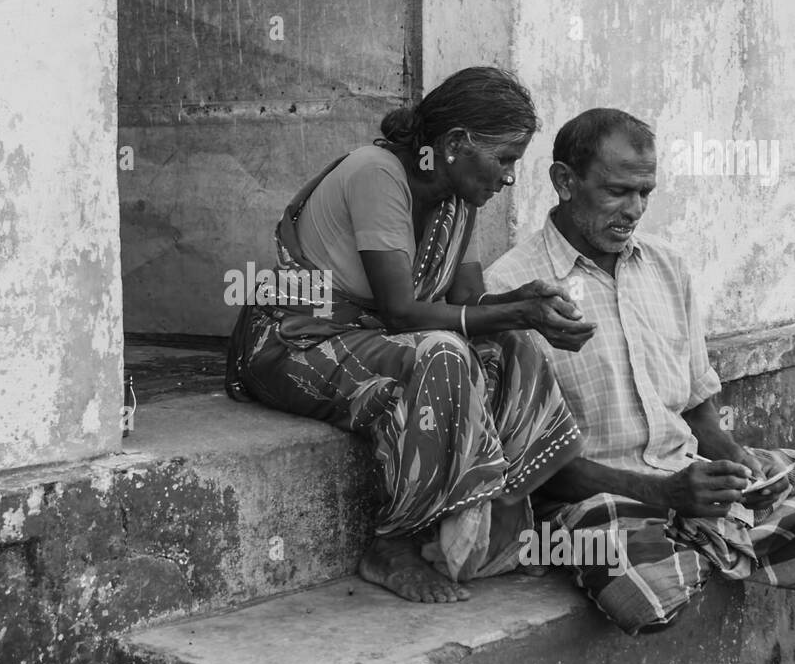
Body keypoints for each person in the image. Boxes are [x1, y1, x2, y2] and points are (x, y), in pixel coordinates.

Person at [487, 107, 795, 664]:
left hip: (685, 475)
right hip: (596, 501)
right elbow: (526, 470)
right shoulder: (510, 290)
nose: (634, 209)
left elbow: (696, 407)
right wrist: (661, 495)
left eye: (645, 192)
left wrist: (740, 461)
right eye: (617, 191)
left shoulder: (667, 266)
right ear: (565, 182)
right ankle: (715, 537)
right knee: (645, 593)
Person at [225, 67, 598, 603]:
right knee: (442, 354)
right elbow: (403, 313)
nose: (509, 177)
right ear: (454, 144)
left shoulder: (456, 201)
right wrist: (517, 313)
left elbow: (466, 305)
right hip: (296, 344)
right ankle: (395, 541)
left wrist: (526, 306)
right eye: (505, 158)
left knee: (511, 346)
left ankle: (495, 520)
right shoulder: (376, 174)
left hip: (373, 341)